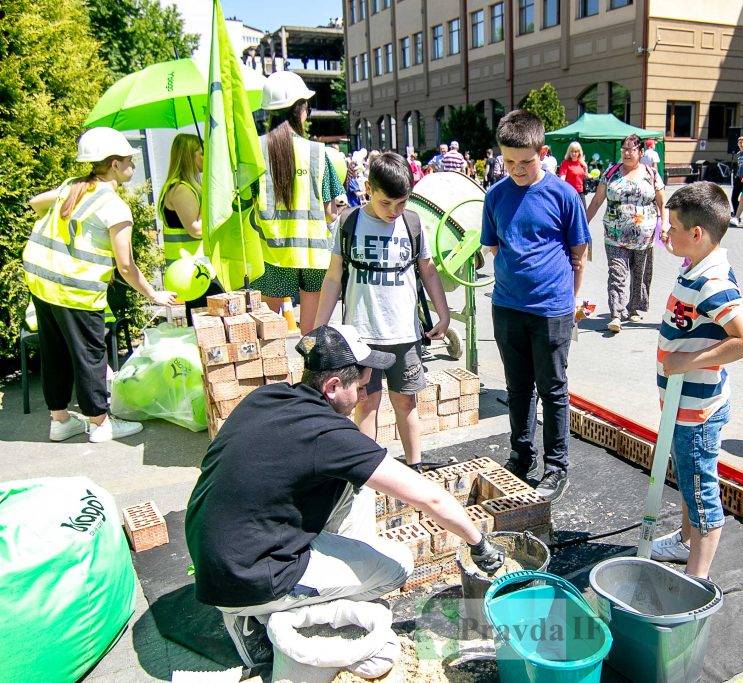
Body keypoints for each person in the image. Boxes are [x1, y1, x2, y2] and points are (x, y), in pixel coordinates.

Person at [185, 324, 504, 667]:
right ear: (333, 386)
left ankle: (300, 588)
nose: (365, 396)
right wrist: (478, 544)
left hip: (214, 551)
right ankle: (266, 621)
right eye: (362, 386)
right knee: (398, 566)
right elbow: (431, 498)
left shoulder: (267, 397)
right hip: (247, 579)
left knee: (356, 486)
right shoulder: (328, 435)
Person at [22, 127, 176, 443]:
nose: (132, 163)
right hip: (75, 289)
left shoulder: (71, 187)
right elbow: (125, 265)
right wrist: (152, 294)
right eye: (129, 159)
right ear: (114, 165)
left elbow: (35, 202)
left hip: (42, 282)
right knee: (90, 355)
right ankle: (100, 423)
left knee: (56, 353)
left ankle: (60, 420)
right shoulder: (113, 206)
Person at [650, 182, 743, 576]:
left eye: (672, 227)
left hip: (698, 411)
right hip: (683, 406)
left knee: (701, 496)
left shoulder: (712, 282)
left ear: (697, 234)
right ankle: (684, 542)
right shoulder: (696, 265)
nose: (666, 234)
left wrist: (687, 361)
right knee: (688, 478)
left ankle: (696, 580)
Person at [315, 152, 451, 472]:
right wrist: (320, 327)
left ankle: (414, 467)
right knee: (365, 404)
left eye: (401, 203)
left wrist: (443, 314)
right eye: (386, 202)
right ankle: (370, 472)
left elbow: (428, 271)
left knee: (406, 402)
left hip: (403, 334)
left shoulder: (413, 223)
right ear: (368, 188)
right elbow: (333, 276)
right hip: (360, 337)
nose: (393, 211)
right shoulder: (349, 222)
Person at [482, 110, 590, 500]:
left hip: (551, 310)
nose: (517, 170)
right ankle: (521, 454)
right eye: (508, 162)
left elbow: (579, 252)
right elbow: (493, 246)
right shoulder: (495, 195)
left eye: (525, 162)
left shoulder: (564, 194)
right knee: (518, 388)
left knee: (553, 388)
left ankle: (556, 465)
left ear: (543, 152)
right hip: (508, 307)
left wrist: (569, 302)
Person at [251, 71, 342, 334]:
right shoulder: (317, 153)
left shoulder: (255, 152)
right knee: (311, 331)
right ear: (300, 110)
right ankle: (308, 373)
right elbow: (330, 213)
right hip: (314, 254)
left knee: (267, 332)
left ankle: (270, 374)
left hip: (272, 251)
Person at [586, 134, 666, 332]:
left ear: (640, 152)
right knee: (617, 273)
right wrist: (581, 225)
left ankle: (634, 308)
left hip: (644, 237)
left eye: (631, 149)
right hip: (615, 235)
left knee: (640, 274)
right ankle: (616, 314)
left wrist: (664, 225)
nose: (627, 153)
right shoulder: (611, 172)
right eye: (624, 149)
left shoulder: (651, 173)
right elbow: (596, 202)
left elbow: (662, 203)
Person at [159, 133, 224, 320]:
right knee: (207, 323)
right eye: (201, 153)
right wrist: (208, 197)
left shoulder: (186, 186)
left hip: (194, 270)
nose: (206, 157)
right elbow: (196, 229)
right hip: (192, 272)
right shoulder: (181, 189)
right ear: (189, 156)